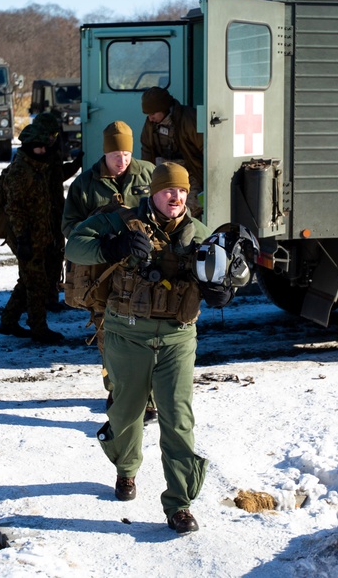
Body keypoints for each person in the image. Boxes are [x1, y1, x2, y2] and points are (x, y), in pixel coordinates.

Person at [67, 162, 235, 534]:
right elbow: (76, 246)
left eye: (182, 192)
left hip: (177, 339)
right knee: (126, 414)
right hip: (127, 335)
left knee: (178, 420)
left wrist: (220, 290)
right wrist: (112, 246)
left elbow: (223, 275)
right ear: (154, 193)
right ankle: (126, 468)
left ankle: (179, 504)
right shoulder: (121, 221)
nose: (176, 197)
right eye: (168, 191)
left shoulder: (200, 234)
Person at [63, 121, 156, 421]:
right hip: (103, 271)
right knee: (109, 335)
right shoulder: (85, 184)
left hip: (143, 270)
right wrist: (102, 236)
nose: (122, 160)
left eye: (127, 153)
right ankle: (116, 389)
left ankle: (150, 398)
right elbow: (69, 227)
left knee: (147, 331)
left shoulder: (149, 174)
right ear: (105, 152)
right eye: (116, 153)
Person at [0, 119, 65, 344]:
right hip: (27, 238)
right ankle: (38, 328)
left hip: (40, 236)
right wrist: (22, 239)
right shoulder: (20, 171)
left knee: (28, 280)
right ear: (27, 147)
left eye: (44, 146)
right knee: (36, 284)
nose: (43, 150)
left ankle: (8, 321)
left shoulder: (38, 167)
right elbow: (15, 209)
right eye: (38, 147)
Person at [36, 112, 83, 313]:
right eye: (49, 135)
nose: (52, 139)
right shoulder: (35, 155)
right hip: (41, 217)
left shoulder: (51, 153)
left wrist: (76, 164)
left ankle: (51, 298)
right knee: (41, 261)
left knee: (56, 256)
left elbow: (58, 176)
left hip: (55, 214)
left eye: (55, 134)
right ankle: (40, 301)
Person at [139, 87, 204, 218]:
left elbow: (205, 148)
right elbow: (146, 150)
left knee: (188, 208)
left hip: (189, 171)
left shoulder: (189, 119)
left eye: (153, 114)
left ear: (163, 109)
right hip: (163, 171)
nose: (150, 118)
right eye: (148, 115)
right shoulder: (151, 124)